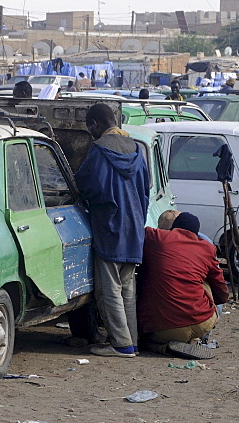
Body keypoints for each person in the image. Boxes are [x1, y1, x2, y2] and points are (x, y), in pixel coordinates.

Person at [74, 103, 150, 358]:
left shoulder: (98, 150)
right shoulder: (137, 150)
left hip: (109, 226)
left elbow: (85, 186)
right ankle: (131, 341)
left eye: (89, 127)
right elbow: (145, 192)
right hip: (134, 227)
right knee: (127, 288)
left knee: (109, 289)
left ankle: (120, 344)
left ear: (95, 124)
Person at [138, 212, 229, 359]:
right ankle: (197, 338)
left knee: (147, 340)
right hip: (202, 322)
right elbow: (222, 291)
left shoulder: (157, 237)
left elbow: (137, 229)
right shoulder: (207, 248)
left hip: (164, 328)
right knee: (205, 280)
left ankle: (164, 347)